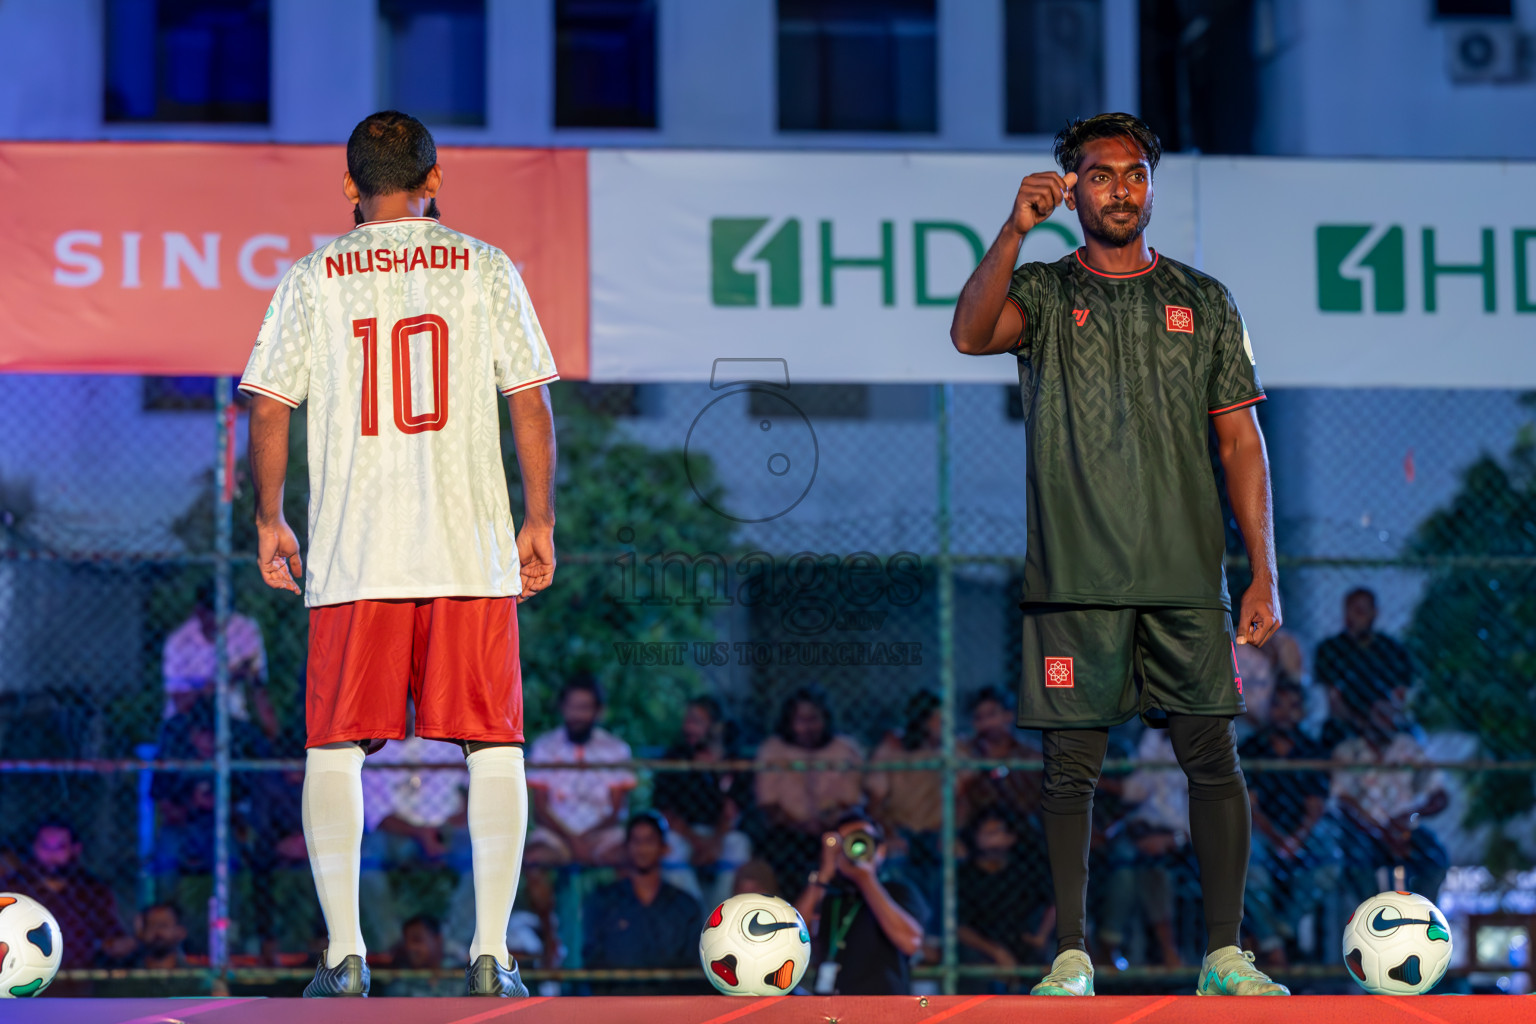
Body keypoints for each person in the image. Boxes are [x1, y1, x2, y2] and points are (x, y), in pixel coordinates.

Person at [949, 111, 1286, 997]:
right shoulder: (1050, 293)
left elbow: (1242, 440)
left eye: (1135, 173)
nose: (1122, 189)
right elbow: (969, 333)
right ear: (1073, 189)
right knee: (1070, 775)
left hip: (1185, 579)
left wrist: (1263, 570)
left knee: (1212, 757)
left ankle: (1224, 957)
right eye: (1101, 175)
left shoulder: (1204, 299)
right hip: (1075, 584)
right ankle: (1071, 958)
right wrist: (1015, 230)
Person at [241, 109, 559, 998]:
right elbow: (529, 403)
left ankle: (345, 956)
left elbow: (269, 406)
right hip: (469, 544)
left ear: (350, 185)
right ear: (435, 178)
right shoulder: (487, 266)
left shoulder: (312, 278)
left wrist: (270, 517)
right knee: (493, 745)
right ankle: (492, 954)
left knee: (335, 748)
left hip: (355, 548)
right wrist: (540, 519)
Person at [1239, 680, 1340, 966]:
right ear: (1269, 709)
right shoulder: (1253, 747)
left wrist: (1296, 839)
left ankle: (1278, 930)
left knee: (1330, 859)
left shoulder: (1312, 750)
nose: (1285, 713)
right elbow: (1250, 804)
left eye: (1293, 707)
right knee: (1246, 859)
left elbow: (1315, 806)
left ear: (1303, 712)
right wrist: (1277, 839)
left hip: (1301, 831)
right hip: (1262, 830)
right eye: (1278, 705)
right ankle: (1275, 944)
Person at [358, 717, 472, 951]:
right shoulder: (373, 750)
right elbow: (377, 816)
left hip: (448, 829)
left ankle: (452, 946)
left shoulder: (447, 740)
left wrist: (449, 826)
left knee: (486, 860)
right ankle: (393, 946)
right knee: (363, 861)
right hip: (399, 834)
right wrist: (421, 834)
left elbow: (474, 791)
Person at [1330, 694, 1450, 902]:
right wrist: (1381, 830)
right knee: (1357, 859)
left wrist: (1410, 817)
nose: (1389, 721)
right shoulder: (1348, 751)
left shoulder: (1409, 747)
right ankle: (1373, 918)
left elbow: (1439, 795)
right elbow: (1341, 799)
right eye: (1382, 715)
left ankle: (1422, 914)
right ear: (1365, 719)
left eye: (1393, 715)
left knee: (1435, 857)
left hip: (1403, 825)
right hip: (1363, 829)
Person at [794, 812, 926, 996]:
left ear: (880, 850)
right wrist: (824, 873)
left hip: (882, 1007)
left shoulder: (897, 890)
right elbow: (792, 937)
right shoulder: (826, 893)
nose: (855, 847)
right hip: (829, 1010)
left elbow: (910, 942)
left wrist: (866, 878)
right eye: (846, 842)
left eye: (862, 840)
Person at [754, 686, 867, 901]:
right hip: (788, 830)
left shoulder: (845, 749)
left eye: (814, 719)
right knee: (779, 851)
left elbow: (851, 801)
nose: (807, 727)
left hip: (834, 829)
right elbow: (768, 804)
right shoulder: (773, 750)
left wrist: (825, 821)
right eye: (800, 720)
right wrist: (800, 824)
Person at [581, 812, 703, 995]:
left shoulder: (685, 906)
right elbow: (592, 960)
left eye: (649, 841)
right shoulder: (603, 901)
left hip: (672, 1008)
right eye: (636, 841)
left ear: (664, 848)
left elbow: (694, 964)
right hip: (615, 1007)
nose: (642, 848)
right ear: (626, 847)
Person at [524, 674, 637, 866]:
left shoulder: (616, 749)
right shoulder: (544, 747)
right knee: (533, 860)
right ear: (562, 708)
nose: (577, 715)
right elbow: (540, 809)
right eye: (572, 707)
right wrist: (572, 840)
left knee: (631, 858)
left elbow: (618, 810)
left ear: (598, 711)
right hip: (555, 835)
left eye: (584, 708)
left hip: (603, 834)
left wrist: (585, 839)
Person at [652, 695, 753, 907]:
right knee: (669, 847)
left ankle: (720, 914)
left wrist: (714, 843)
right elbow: (666, 811)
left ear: (715, 727)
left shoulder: (732, 760)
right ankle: (695, 917)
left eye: (696, 721)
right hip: (685, 833)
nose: (688, 727)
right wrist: (696, 841)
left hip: (720, 834)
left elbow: (732, 812)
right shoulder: (674, 757)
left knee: (739, 845)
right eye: (687, 720)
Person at [0, 820, 137, 970]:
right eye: (45, 846)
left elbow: (110, 936)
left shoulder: (92, 890)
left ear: (75, 849)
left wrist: (119, 945)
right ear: (33, 847)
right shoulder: (12, 887)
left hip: (79, 977)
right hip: (20, 973)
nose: (51, 854)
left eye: (60, 847)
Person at [162, 579, 277, 739]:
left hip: (232, 716)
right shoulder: (179, 641)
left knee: (254, 741)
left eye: (226, 613)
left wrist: (271, 730)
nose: (220, 620)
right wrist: (221, 681)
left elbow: (257, 685)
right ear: (199, 611)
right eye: (213, 613)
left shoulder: (245, 629)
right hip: (188, 719)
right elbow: (181, 702)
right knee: (177, 737)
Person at [956, 808, 1055, 992]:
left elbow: (1054, 902)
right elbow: (959, 928)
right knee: (974, 966)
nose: (994, 838)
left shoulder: (1023, 871)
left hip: (1019, 942)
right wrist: (996, 952)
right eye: (987, 833)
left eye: (998, 832)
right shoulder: (965, 876)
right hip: (980, 947)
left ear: (1011, 837)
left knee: (1051, 972)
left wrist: (1041, 936)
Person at [866, 690, 944, 916]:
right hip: (901, 830)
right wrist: (889, 833)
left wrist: (951, 833)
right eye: (938, 719)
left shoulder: (951, 750)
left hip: (936, 832)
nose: (945, 725)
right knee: (896, 859)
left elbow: (962, 798)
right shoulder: (891, 750)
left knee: (951, 859)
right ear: (922, 721)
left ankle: (938, 936)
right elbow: (874, 805)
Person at [1314, 588, 1413, 739]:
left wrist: (1383, 717)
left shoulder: (1393, 650)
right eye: (1349, 612)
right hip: (1346, 723)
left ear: (1374, 613)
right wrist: (1357, 721)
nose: (1353, 618)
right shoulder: (1330, 649)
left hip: (1386, 720)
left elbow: (1401, 695)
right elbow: (1332, 697)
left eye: (1360, 611)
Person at [958, 686, 1044, 826]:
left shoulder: (1030, 753)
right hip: (978, 827)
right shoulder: (968, 751)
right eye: (979, 718)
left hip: (1024, 827)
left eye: (992, 715)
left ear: (1008, 716)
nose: (986, 723)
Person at [383, 915, 460, 997]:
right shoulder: (400, 977)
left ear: (437, 940)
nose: (410, 948)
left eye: (417, 939)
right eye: (406, 942)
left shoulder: (460, 973)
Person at [132, 903, 189, 970]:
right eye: (151, 926)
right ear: (142, 934)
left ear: (180, 932)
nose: (157, 932)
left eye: (163, 925)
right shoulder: (126, 973)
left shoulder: (195, 975)